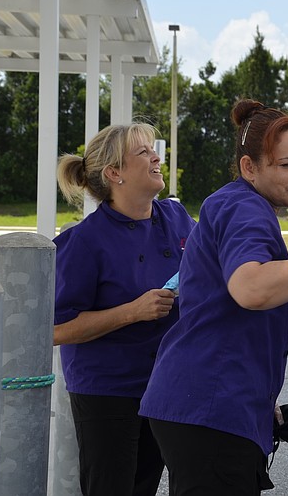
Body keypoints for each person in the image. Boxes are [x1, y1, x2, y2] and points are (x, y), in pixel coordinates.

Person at [139, 99, 288, 495]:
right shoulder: (245, 208)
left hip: (207, 404)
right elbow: (251, 288)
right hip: (210, 410)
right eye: (286, 165)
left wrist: (262, 403)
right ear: (250, 167)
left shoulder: (235, 202)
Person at [53, 122, 196, 496]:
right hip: (107, 391)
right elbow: (54, 329)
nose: (156, 157)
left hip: (164, 383)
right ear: (114, 173)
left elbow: (216, 263)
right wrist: (132, 311)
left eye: (154, 149)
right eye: (144, 152)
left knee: (144, 486)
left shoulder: (177, 219)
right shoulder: (82, 242)